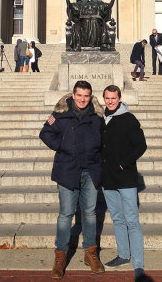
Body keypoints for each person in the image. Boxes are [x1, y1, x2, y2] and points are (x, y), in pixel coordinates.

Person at [39, 80, 105, 279]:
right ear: (73, 95)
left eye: (86, 96)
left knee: (90, 213)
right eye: (79, 95)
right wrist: (64, 145)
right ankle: (60, 256)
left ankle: (90, 253)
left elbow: (104, 141)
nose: (83, 99)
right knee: (66, 214)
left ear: (90, 96)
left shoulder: (97, 116)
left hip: (90, 171)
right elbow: (45, 133)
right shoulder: (61, 113)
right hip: (68, 170)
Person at [101, 85, 148, 282]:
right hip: (107, 179)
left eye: (114, 98)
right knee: (118, 219)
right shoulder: (101, 118)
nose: (110, 101)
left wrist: (123, 163)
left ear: (120, 98)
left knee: (132, 221)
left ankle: (138, 265)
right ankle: (123, 254)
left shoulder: (129, 119)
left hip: (126, 178)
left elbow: (141, 145)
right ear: (103, 98)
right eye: (107, 98)